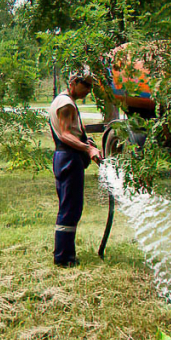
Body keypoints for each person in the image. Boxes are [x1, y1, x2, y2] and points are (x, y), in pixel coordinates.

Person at [48, 71, 102, 267]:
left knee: (70, 207)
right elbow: (64, 135)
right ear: (73, 82)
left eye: (90, 86)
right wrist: (87, 148)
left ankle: (65, 254)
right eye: (86, 85)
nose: (88, 90)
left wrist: (85, 141)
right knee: (70, 209)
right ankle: (64, 258)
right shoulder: (66, 104)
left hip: (67, 157)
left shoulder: (65, 101)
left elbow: (71, 133)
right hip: (68, 158)